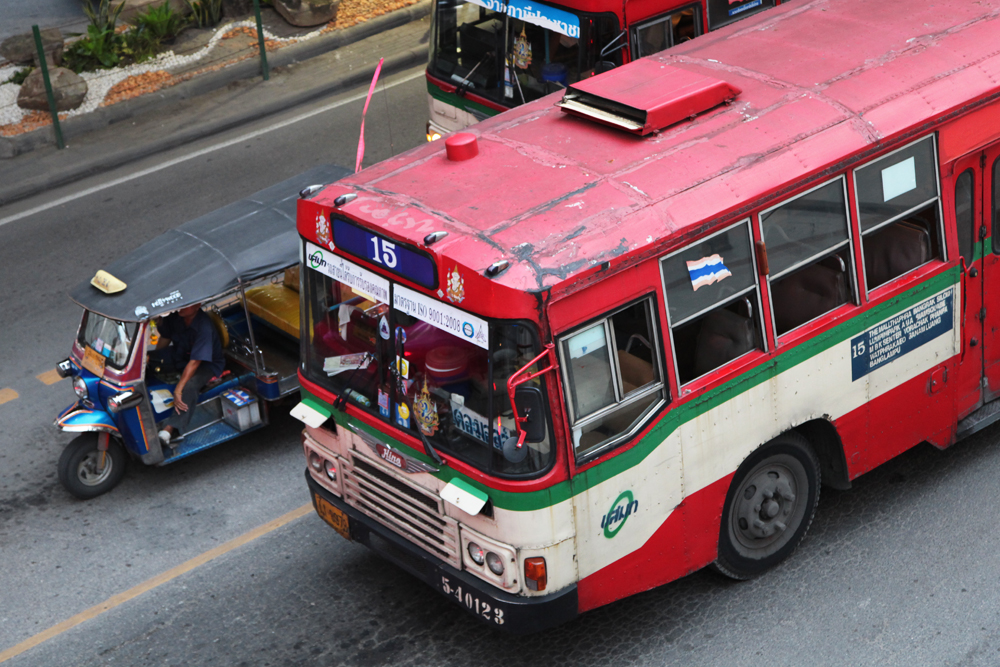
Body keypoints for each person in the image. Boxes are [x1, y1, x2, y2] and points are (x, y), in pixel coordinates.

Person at [152, 303, 225, 445]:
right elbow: (166, 337)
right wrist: (155, 358)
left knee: (190, 386)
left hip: (206, 364)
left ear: (197, 306)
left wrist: (179, 389)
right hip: (182, 356)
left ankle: (169, 429)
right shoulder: (177, 316)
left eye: (186, 306)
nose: (181, 308)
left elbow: (195, 362)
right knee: (152, 362)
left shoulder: (204, 327)